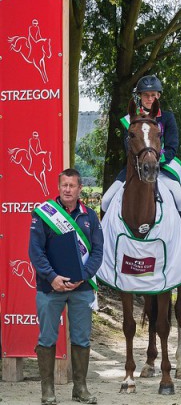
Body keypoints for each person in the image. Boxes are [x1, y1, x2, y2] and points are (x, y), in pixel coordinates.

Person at [29, 169, 103, 405]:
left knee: (81, 338)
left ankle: (80, 388)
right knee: (47, 338)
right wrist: (52, 277)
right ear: (59, 187)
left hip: (81, 288)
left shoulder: (90, 217)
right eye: (64, 185)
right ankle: (47, 390)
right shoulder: (44, 214)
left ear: (80, 188)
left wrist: (85, 275)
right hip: (50, 287)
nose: (68, 189)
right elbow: (35, 251)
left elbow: (98, 251)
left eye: (72, 185)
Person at [101, 75, 181, 231]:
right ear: (140, 96)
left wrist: (154, 161)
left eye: (153, 95)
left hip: (161, 168)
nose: (149, 98)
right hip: (134, 168)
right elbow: (128, 147)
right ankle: (104, 239)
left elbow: (172, 147)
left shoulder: (167, 118)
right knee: (106, 200)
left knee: (180, 198)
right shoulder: (131, 120)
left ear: (158, 96)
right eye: (146, 95)